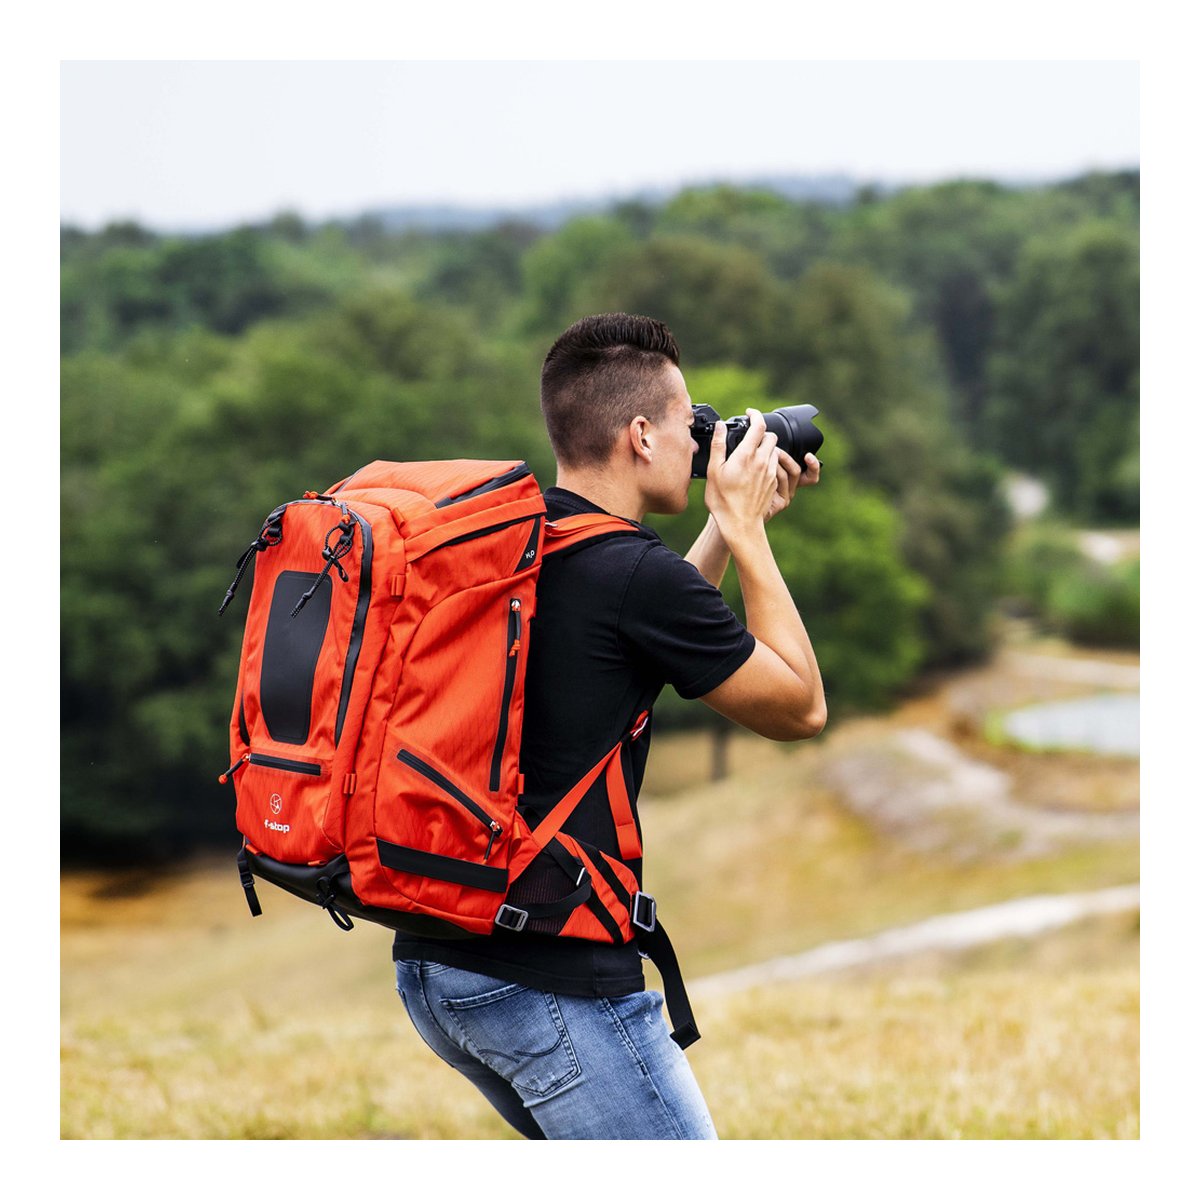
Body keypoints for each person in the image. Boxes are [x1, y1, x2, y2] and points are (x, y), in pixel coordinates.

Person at [393, 312, 826, 1139]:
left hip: (442, 962)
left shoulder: (531, 543)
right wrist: (744, 531)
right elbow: (800, 706)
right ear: (641, 436)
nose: (700, 441)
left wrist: (727, 530)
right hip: (549, 974)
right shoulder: (630, 575)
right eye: (687, 421)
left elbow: (645, 646)